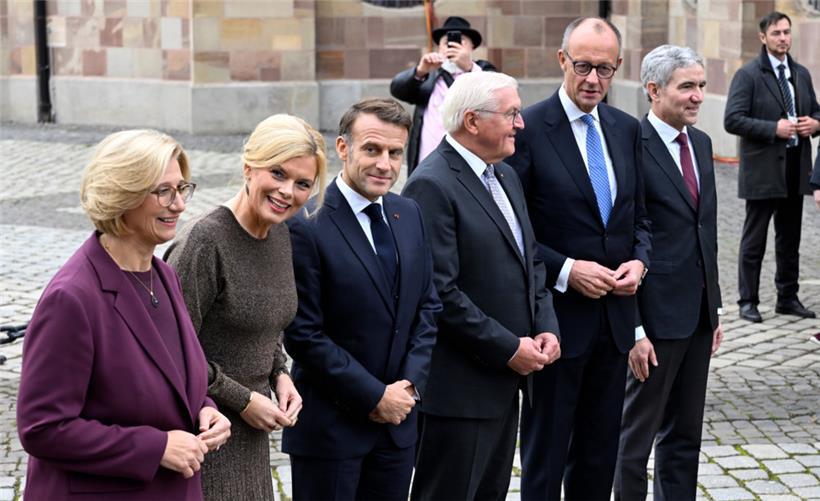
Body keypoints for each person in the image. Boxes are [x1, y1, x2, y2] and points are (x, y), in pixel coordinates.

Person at [17, 129, 231, 500]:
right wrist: (156, 447)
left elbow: (172, 381)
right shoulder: (71, 298)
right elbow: (42, 427)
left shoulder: (163, 276)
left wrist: (206, 409)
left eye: (182, 189)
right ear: (122, 196)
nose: (179, 205)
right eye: (163, 191)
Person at [506, 17, 652, 500]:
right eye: (584, 66)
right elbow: (514, 230)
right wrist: (567, 270)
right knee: (546, 456)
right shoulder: (526, 131)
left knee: (599, 454)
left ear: (618, 68)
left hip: (613, 324)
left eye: (605, 69)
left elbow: (640, 219)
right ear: (562, 60)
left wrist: (640, 263)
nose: (593, 80)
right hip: (554, 323)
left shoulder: (627, 128)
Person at [403, 71, 561, 501]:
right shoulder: (431, 184)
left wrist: (546, 326)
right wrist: (509, 348)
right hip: (460, 393)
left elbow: (531, 263)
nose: (520, 123)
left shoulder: (505, 175)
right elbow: (441, 293)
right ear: (472, 121)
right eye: (511, 113)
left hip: (505, 384)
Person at [282, 98, 441, 500]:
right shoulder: (306, 225)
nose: (384, 164)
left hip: (397, 431)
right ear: (342, 148)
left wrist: (408, 388)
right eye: (372, 149)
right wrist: (374, 397)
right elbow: (303, 334)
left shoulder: (409, 213)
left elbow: (428, 307)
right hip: (332, 434)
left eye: (394, 153)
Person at [164, 115, 327, 501]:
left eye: (302, 184)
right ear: (248, 167)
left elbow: (267, 325)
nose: (288, 191)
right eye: (278, 173)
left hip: (253, 434)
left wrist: (280, 375)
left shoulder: (280, 233)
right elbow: (169, 351)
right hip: (206, 434)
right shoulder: (205, 242)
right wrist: (244, 400)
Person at [613, 45, 724, 501]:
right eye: (687, 86)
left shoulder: (700, 142)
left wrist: (713, 307)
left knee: (685, 436)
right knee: (634, 439)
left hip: (697, 316)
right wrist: (634, 327)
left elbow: (707, 231)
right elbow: (625, 243)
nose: (698, 95)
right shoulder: (630, 147)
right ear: (654, 90)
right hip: (654, 321)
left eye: (701, 85)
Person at [724, 11, 820, 323]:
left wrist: (814, 124)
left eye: (787, 32)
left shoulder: (801, 73)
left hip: (795, 167)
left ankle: (787, 297)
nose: (783, 38)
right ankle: (747, 300)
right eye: (776, 33)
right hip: (763, 170)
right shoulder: (748, 74)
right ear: (763, 37)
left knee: (789, 239)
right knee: (755, 240)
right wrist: (772, 129)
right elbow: (732, 119)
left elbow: (817, 112)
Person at [390, 16, 497, 174]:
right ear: (439, 48)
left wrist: (468, 68)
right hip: (427, 163)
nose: (452, 46)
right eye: (446, 43)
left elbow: (498, 95)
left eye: (460, 41)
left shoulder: (482, 71)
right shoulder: (429, 76)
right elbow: (398, 89)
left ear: (472, 47)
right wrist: (420, 71)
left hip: (469, 163)